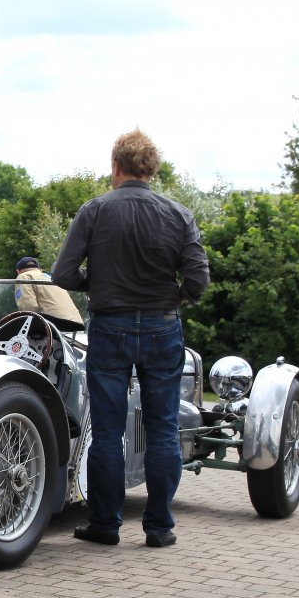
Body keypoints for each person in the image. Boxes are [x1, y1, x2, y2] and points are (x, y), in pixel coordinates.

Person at [52, 129, 209, 548]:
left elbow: (62, 274)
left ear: (115, 166)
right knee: (163, 429)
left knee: (107, 431)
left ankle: (105, 524)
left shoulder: (95, 210)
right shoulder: (179, 215)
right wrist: (173, 297)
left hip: (109, 326)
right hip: (162, 327)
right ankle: (159, 527)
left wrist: (96, 282)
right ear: (151, 169)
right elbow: (198, 280)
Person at [13, 256, 84, 325]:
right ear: (39, 269)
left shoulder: (23, 277)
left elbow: (28, 306)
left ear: (18, 271)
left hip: (55, 324)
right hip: (77, 323)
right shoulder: (51, 278)